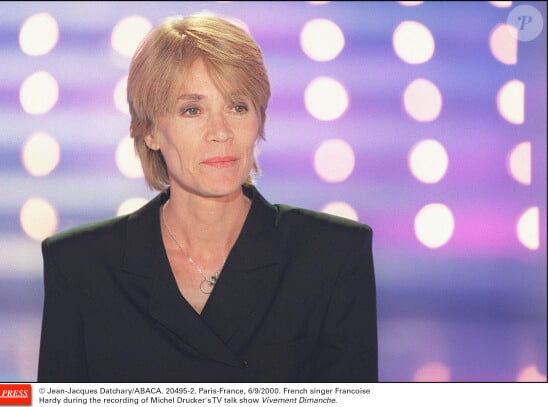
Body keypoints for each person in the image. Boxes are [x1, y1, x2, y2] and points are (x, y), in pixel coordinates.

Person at [37, 12, 377, 383]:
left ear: (259, 121)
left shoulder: (334, 255)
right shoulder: (80, 265)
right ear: (149, 131)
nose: (221, 132)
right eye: (193, 110)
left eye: (237, 107)